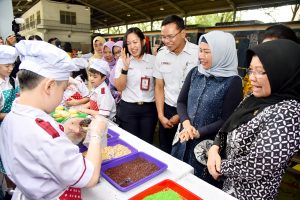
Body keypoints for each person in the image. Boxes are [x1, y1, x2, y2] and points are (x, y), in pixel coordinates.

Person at [0, 40, 108, 199]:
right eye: (63, 90)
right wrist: (96, 133)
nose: (61, 98)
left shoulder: (13, 117)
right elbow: (90, 177)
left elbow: (40, 155)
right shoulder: (43, 134)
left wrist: (63, 131)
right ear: (49, 86)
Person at [207, 39, 300, 199]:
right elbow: (228, 127)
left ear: (283, 72)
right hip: (229, 188)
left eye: (262, 72)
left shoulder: (289, 112)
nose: (252, 78)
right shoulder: (252, 98)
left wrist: (218, 165)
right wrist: (215, 148)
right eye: (251, 70)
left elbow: (258, 164)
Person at [172, 31, 243, 187]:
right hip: (183, 138)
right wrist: (186, 124)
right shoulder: (195, 72)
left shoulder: (233, 82)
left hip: (207, 148)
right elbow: (181, 102)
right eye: (200, 50)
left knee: (197, 187)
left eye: (207, 52)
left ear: (221, 53)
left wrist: (199, 132)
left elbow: (227, 120)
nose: (201, 56)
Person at [153, 15, 198, 153]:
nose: (166, 41)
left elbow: (197, 90)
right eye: (163, 37)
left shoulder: (197, 54)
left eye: (170, 36)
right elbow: (159, 86)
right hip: (167, 109)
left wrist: (180, 115)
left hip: (190, 110)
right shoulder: (161, 55)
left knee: (184, 150)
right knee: (165, 148)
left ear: (183, 33)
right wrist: (160, 115)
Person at [114, 27, 157, 144]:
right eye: (129, 43)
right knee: (130, 143)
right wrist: (125, 68)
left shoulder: (153, 60)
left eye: (135, 42)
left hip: (149, 109)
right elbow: (119, 87)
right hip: (128, 109)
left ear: (143, 42)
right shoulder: (122, 61)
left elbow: (159, 86)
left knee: (147, 143)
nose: (132, 46)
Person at [0, 44, 19, 198]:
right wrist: (10, 116)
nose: (10, 68)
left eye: (12, 65)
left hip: (13, 125)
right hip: (2, 128)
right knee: (6, 161)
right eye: (6, 65)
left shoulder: (12, 80)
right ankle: (10, 191)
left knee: (15, 159)